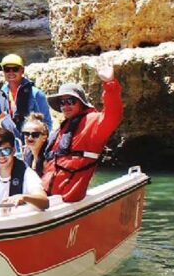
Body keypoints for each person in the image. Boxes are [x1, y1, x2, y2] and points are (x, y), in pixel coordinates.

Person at [42, 59, 123, 202]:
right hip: (46, 198)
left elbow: (113, 115)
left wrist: (109, 84)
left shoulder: (93, 122)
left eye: (71, 101)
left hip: (67, 201)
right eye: (62, 102)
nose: (66, 106)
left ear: (81, 103)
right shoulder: (62, 129)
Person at [0, 127, 49, 210]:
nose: (1, 156)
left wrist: (24, 197)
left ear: (14, 151)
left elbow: (45, 202)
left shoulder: (27, 174)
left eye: (5, 151)